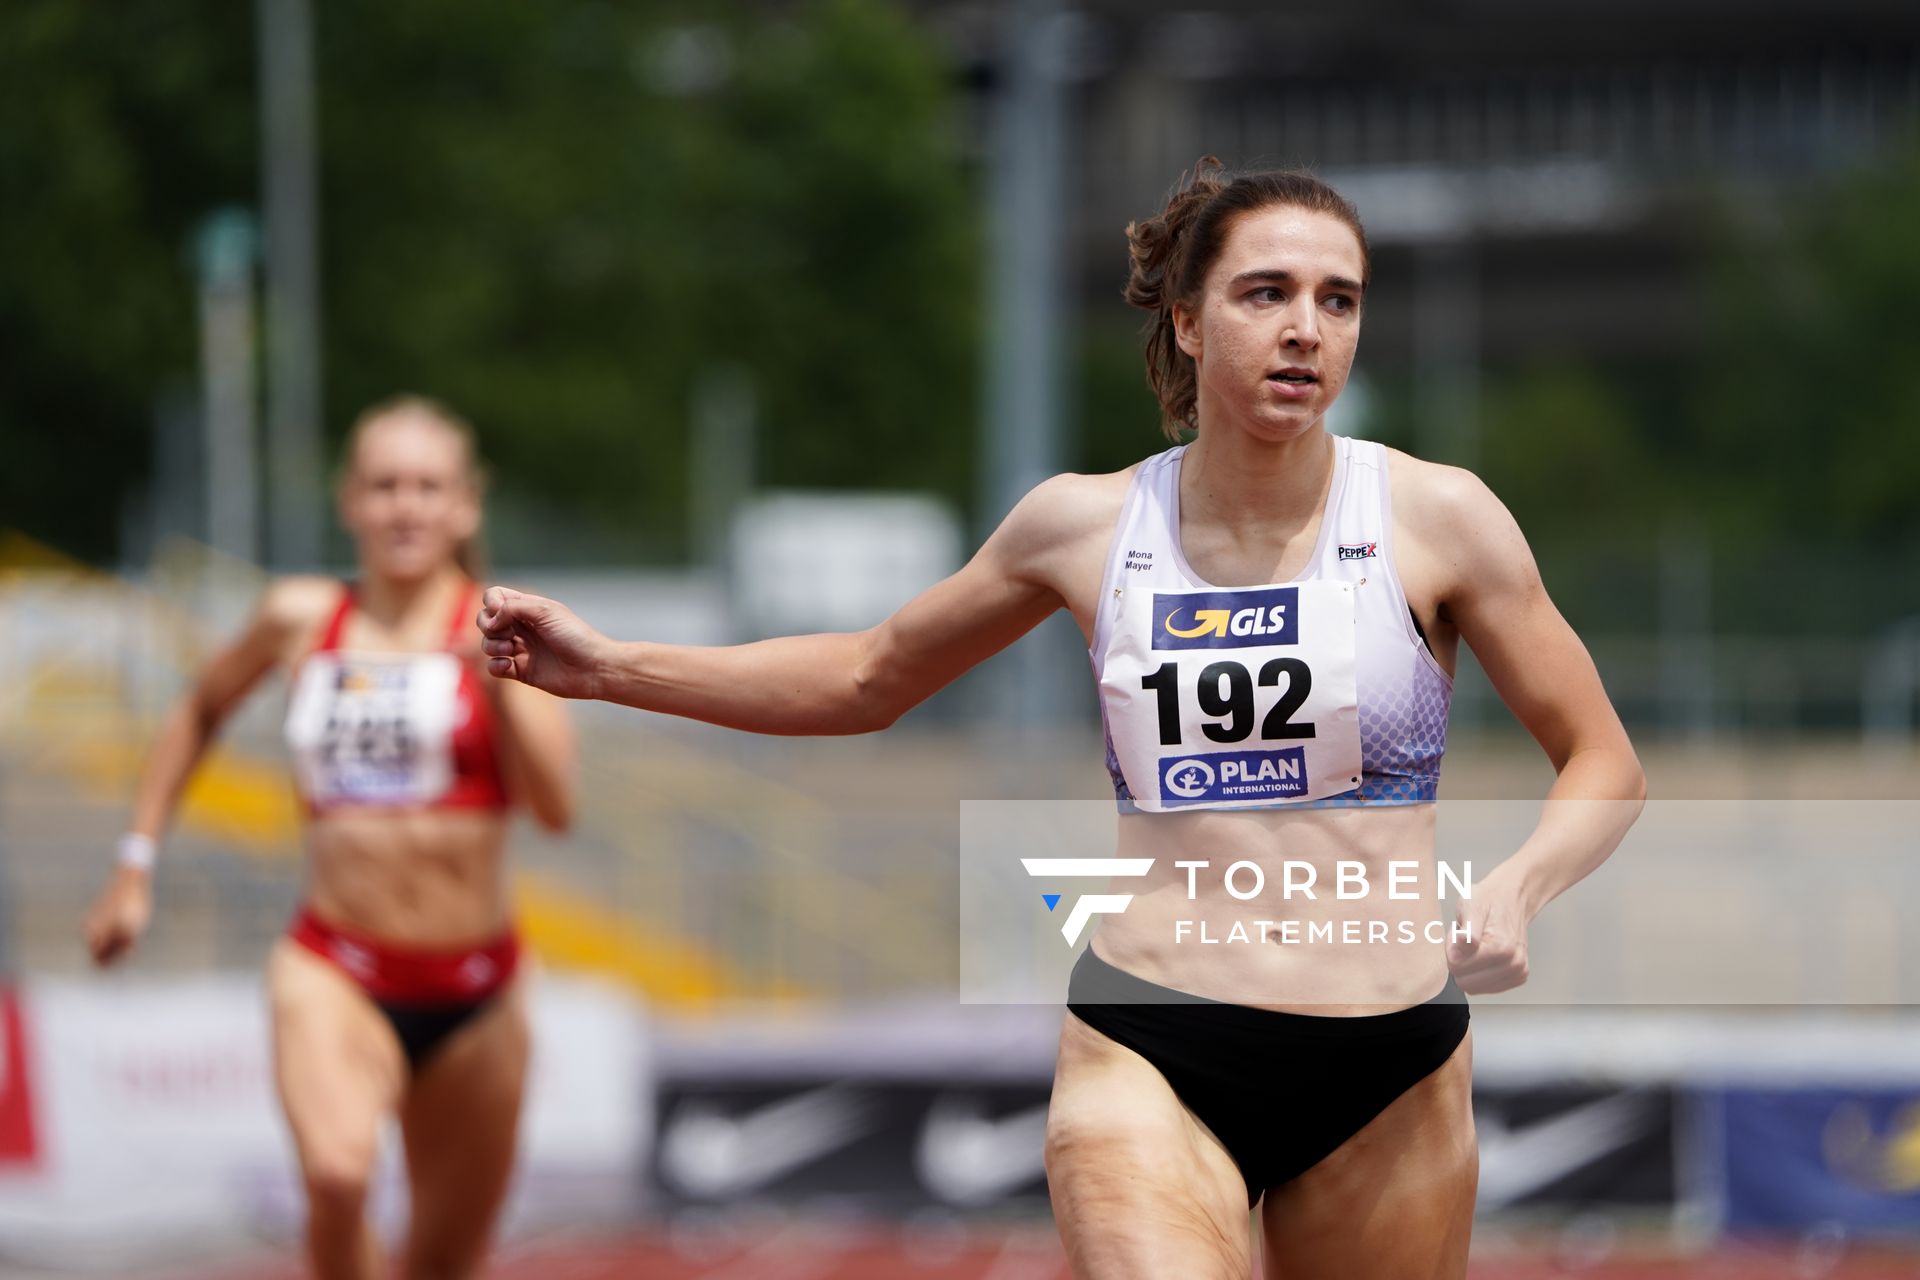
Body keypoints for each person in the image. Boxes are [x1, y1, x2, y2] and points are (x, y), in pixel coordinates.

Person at [474, 158, 1645, 1277]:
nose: (1306, 328)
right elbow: (869, 675)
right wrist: (612, 666)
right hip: (1157, 1041)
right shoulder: (1083, 529)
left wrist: (1520, 884)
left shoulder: (1442, 519)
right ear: (1188, 321)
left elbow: (1603, 760)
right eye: (1266, 293)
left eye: (1338, 300)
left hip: (1390, 1060)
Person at [84, 396, 576, 1280]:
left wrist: (501, 681)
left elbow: (555, 809)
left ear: (465, 507)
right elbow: (200, 707)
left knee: (443, 1265)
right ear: (350, 501)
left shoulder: (507, 634)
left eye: (428, 487)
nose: (405, 507)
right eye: (384, 485)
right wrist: (135, 861)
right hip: (335, 969)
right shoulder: (302, 617)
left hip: (479, 994)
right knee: (339, 1176)